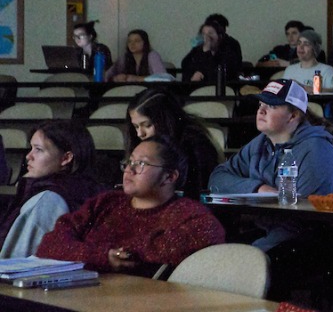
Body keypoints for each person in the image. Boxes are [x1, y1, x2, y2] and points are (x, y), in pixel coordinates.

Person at [36, 136, 225, 276]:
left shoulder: (188, 214)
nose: (129, 169)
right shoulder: (106, 202)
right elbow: (49, 244)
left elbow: (210, 233)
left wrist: (118, 254)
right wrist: (103, 257)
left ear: (169, 177)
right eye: (129, 161)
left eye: (141, 164)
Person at [209, 79, 333, 251]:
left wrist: (253, 253)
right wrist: (257, 187)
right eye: (261, 104)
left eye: (272, 106)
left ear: (293, 115)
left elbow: (305, 221)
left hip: (309, 247)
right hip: (270, 233)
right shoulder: (260, 143)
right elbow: (217, 178)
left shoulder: (316, 150)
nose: (261, 110)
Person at [0, 121, 108, 258]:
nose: (28, 156)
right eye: (31, 148)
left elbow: (14, 264)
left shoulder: (47, 200)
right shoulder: (90, 188)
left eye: (38, 150)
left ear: (66, 158)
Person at [126, 88, 221, 200]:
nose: (139, 133)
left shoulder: (194, 144)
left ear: (165, 120)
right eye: (136, 126)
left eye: (147, 125)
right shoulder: (141, 144)